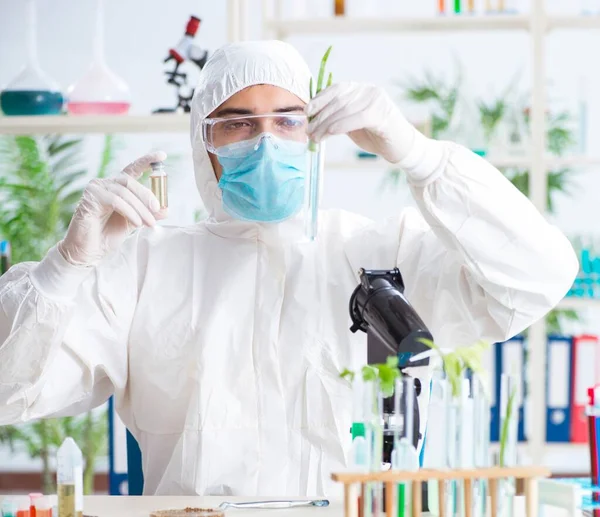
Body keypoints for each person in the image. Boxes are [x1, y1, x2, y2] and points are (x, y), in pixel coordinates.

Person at [0, 40, 577, 497]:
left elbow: (536, 277)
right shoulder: (145, 265)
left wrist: (419, 155)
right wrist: (65, 268)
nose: (266, 143)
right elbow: (11, 392)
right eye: (238, 124)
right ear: (204, 141)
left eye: (287, 121)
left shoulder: (377, 255)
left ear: (315, 132)